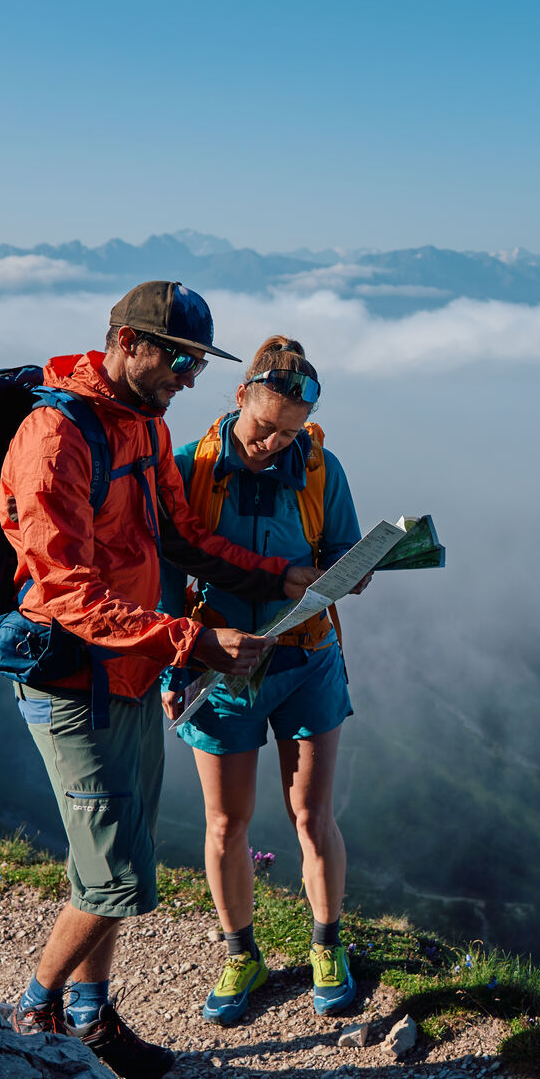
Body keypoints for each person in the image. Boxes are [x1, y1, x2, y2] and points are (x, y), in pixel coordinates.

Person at [0, 283, 322, 1079]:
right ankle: (32, 1014)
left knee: (123, 849)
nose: (187, 377)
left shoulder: (143, 423)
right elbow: (62, 590)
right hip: (74, 682)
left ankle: (90, 1016)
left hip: (133, 671)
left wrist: (278, 574)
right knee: (115, 876)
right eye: (177, 358)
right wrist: (190, 640)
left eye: (196, 364)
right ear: (124, 341)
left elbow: (181, 536)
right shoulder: (57, 437)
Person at [160, 336, 367, 1024]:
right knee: (227, 823)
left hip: (307, 658)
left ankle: (325, 944)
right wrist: (173, 661)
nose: (273, 444)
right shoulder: (188, 468)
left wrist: (354, 571)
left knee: (312, 815)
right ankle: (240, 953)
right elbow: (162, 575)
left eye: (289, 432)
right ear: (239, 396)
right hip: (218, 668)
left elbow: (341, 548)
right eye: (263, 427)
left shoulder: (319, 468)